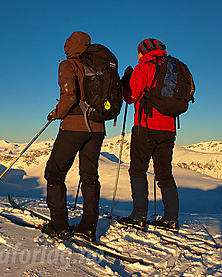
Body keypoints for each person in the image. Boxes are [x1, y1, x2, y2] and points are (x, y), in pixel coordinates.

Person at [41, 31, 107, 241]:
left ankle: (59, 225)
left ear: (71, 45)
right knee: (89, 176)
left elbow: (69, 97)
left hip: (75, 127)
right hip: (97, 128)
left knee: (54, 173)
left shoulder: (68, 65)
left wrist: (56, 113)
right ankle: (89, 226)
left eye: (67, 42)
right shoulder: (99, 66)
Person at [117, 38, 181, 231]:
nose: (138, 55)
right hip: (169, 128)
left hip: (146, 126)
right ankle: (171, 218)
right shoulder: (174, 67)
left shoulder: (144, 67)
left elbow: (131, 97)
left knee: (138, 170)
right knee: (164, 173)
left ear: (144, 52)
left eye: (139, 51)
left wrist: (126, 81)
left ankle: (139, 215)